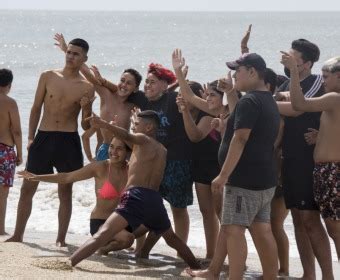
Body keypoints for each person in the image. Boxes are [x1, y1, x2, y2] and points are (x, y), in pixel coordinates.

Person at [60, 110, 201, 269]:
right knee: (172, 239)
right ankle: (196, 267)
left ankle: (69, 262)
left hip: (136, 195)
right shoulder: (162, 149)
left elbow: (127, 136)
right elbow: (132, 143)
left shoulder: (142, 139)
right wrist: (135, 120)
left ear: (148, 127)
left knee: (102, 234)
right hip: (154, 198)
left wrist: (103, 124)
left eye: (137, 125)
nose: (134, 127)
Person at [187, 51, 280, 279]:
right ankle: (267, 276)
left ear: (252, 72)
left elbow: (240, 138)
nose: (234, 75)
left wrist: (224, 175)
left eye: (237, 71)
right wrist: (230, 91)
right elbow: (241, 114)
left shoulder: (250, 100)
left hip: (243, 180)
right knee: (259, 229)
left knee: (234, 230)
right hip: (264, 179)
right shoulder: (265, 98)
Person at [6, 38, 95, 246]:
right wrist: (30, 138)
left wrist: (88, 108)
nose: (71, 56)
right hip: (44, 136)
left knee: (65, 190)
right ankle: (18, 234)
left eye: (76, 54)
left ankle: (61, 239)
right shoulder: (48, 76)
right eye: (69, 52)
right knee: (28, 185)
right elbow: (36, 108)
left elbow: (86, 126)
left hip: (68, 139)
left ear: (84, 58)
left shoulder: (87, 87)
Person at [276, 39, 334, 279]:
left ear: (308, 63)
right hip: (291, 158)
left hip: (310, 161)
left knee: (311, 219)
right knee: (298, 219)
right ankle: (308, 274)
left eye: (294, 59)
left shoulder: (318, 82)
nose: (288, 61)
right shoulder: (290, 82)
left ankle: (328, 276)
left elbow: (297, 108)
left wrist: (264, 101)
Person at [18, 136, 134, 254]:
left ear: (128, 152)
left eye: (119, 149)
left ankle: (140, 251)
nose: (113, 152)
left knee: (150, 222)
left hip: (123, 222)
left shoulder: (132, 170)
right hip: (101, 222)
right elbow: (67, 177)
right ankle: (103, 249)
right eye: (111, 147)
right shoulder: (100, 167)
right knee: (127, 239)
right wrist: (37, 177)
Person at [282, 53, 340, 260]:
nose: (322, 81)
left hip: (332, 171)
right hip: (328, 170)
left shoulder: (334, 98)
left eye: (325, 77)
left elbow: (299, 104)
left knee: (336, 231)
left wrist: (294, 73)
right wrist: (322, 136)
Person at [54, 33, 142, 160]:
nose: (123, 85)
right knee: (103, 181)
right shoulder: (106, 95)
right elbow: (87, 74)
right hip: (104, 150)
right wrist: (65, 49)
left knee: (119, 180)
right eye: (122, 80)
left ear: (136, 88)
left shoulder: (134, 104)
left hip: (124, 152)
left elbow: (155, 99)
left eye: (129, 83)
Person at [176, 82, 220, 259]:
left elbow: (195, 136)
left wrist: (185, 111)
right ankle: (211, 255)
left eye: (185, 95)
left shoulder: (208, 114)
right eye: (179, 95)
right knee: (206, 212)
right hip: (200, 167)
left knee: (222, 214)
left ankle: (221, 255)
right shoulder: (183, 114)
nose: (181, 98)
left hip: (217, 167)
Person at [0, 69, 22, 235]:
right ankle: (0, 229)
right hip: (5, 150)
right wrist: (20, 153)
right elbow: (16, 131)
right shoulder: (10, 102)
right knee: (2, 193)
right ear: (9, 85)